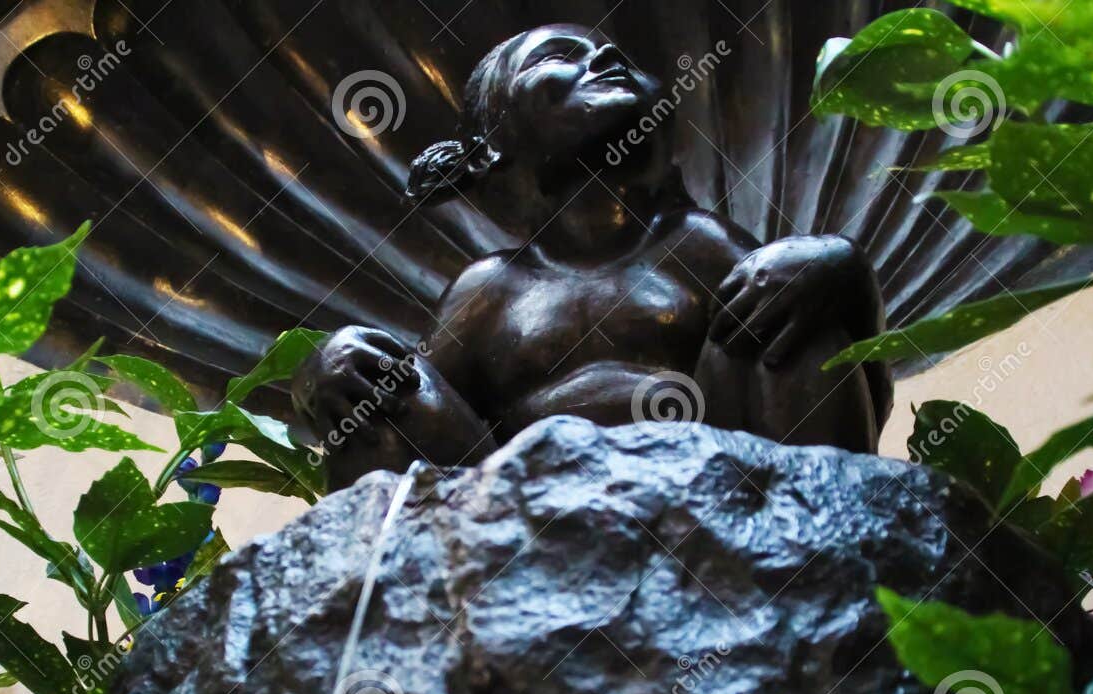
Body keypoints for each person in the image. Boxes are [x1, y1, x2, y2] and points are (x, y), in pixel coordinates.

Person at [293, 23, 890, 489]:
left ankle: (820, 537)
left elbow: (844, 382)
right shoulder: (491, 290)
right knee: (373, 384)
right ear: (489, 150)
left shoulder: (696, 245)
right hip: (517, 540)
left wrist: (843, 271)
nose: (604, 59)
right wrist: (328, 361)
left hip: (723, 506)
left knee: (786, 289)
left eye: (613, 55)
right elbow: (424, 406)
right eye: (559, 56)